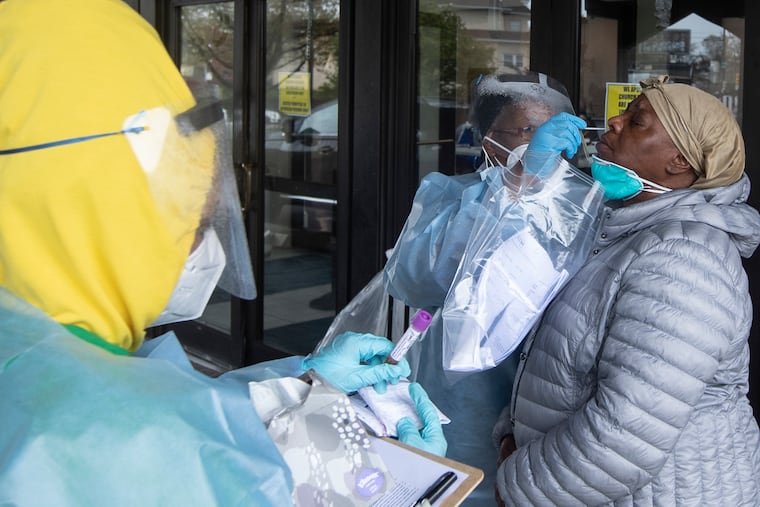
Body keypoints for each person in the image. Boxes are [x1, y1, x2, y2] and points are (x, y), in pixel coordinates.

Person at [0, 0, 444, 505]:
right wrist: (411, 489)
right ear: (106, 219)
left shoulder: (38, 356)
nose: (199, 248)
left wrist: (300, 381)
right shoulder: (114, 449)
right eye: (192, 222)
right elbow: (166, 444)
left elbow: (173, 407)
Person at [494, 75, 760, 505]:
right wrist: (514, 433)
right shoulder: (620, 230)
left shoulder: (684, 260)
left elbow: (624, 432)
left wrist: (517, 485)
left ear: (679, 162)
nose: (614, 122)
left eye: (637, 122)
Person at [383, 71, 583, 506]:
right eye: (529, 129)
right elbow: (412, 278)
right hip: (465, 400)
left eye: (555, 128)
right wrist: (515, 188)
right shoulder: (452, 195)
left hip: (549, 415)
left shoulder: (584, 206)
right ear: (488, 138)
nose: (545, 140)